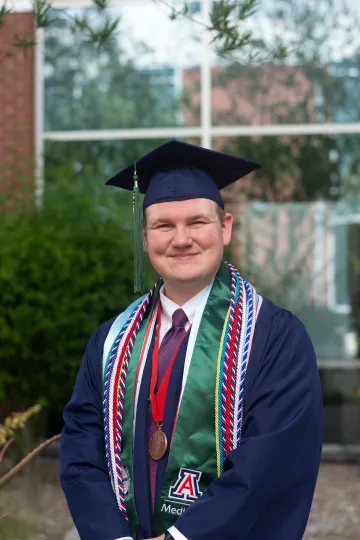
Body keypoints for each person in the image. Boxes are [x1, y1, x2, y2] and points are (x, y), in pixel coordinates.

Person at [60, 140, 323, 540]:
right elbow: (82, 447)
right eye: (164, 225)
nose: (181, 239)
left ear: (226, 227)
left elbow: (270, 463)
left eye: (197, 222)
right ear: (145, 237)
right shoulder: (111, 341)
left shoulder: (275, 338)